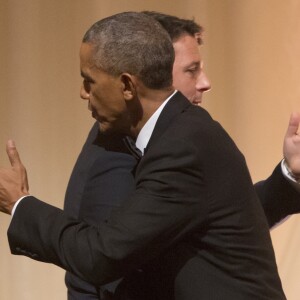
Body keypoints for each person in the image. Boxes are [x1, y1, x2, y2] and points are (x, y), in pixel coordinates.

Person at [0, 11, 286, 299]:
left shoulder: (182, 145)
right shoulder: (175, 135)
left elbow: (103, 255)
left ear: (126, 86)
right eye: (191, 70)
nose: (83, 93)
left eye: (90, 81)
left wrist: (20, 204)